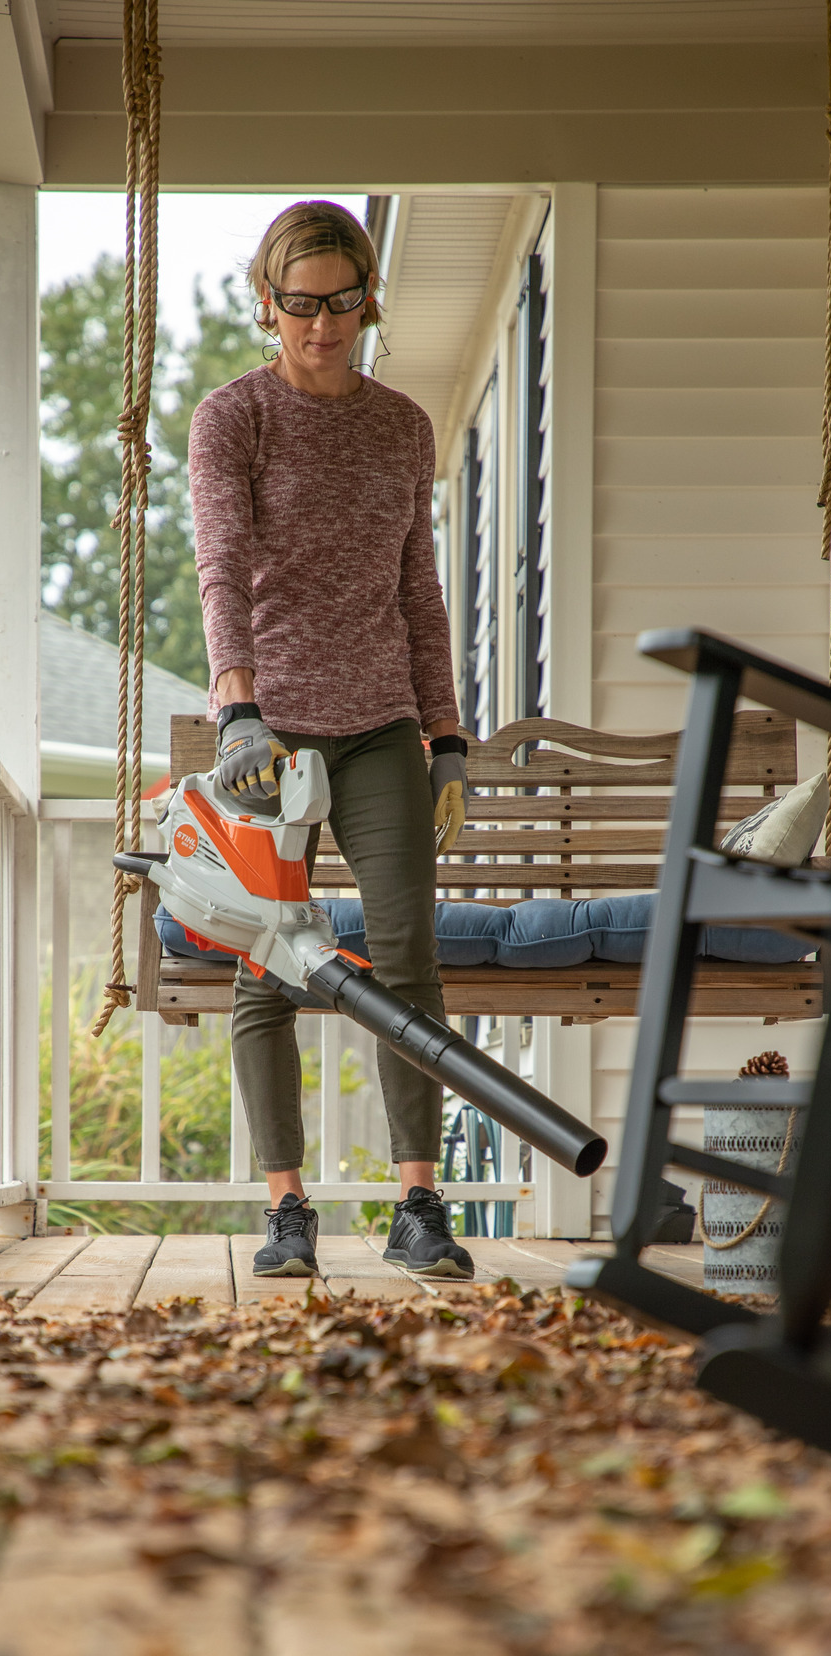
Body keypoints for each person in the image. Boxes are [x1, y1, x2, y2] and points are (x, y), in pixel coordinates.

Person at [187, 199, 474, 1280]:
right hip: (270, 731)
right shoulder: (234, 419)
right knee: (271, 968)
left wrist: (445, 733)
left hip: (380, 725)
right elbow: (220, 566)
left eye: (340, 303)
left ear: (368, 302)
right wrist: (238, 704)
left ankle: (416, 1206)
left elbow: (419, 592)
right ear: (269, 305)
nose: (320, 325)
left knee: (405, 958)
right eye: (299, 306)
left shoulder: (401, 426)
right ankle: (287, 1212)